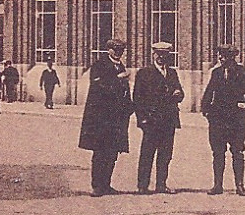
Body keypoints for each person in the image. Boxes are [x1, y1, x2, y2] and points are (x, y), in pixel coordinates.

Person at [78, 39, 134, 196]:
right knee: (100, 152)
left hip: (117, 118)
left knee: (113, 152)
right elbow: (99, 87)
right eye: (115, 50)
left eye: (121, 50)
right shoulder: (99, 65)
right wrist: (119, 78)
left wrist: (129, 107)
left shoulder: (120, 66)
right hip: (101, 118)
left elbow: (124, 91)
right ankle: (97, 186)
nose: (118, 53)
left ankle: (107, 184)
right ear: (108, 50)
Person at [200, 43, 245, 196]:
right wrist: (206, 110)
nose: (220, 58)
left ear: (232, 58)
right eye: (220, 55)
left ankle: (239, 185)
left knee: (237, 152)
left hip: (236, 120)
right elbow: (208, 92)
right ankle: (217, 185)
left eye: (224, 56)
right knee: (218, 152)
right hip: (217, 120)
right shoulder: (216, 73)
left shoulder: (244, 73)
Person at [132, 42, 185, 194]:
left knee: (165, 154)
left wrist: (179, 94)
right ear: (154, 54)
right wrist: (142, 119)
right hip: (151, 120)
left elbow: (180, 92)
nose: (161, 57)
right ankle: (143, 186)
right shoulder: (144, 73)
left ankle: (161, 184)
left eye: (165, 55)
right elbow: (138, 98)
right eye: (159, 54)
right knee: (147, 153)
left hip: (169, 120)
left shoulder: (172, 73)